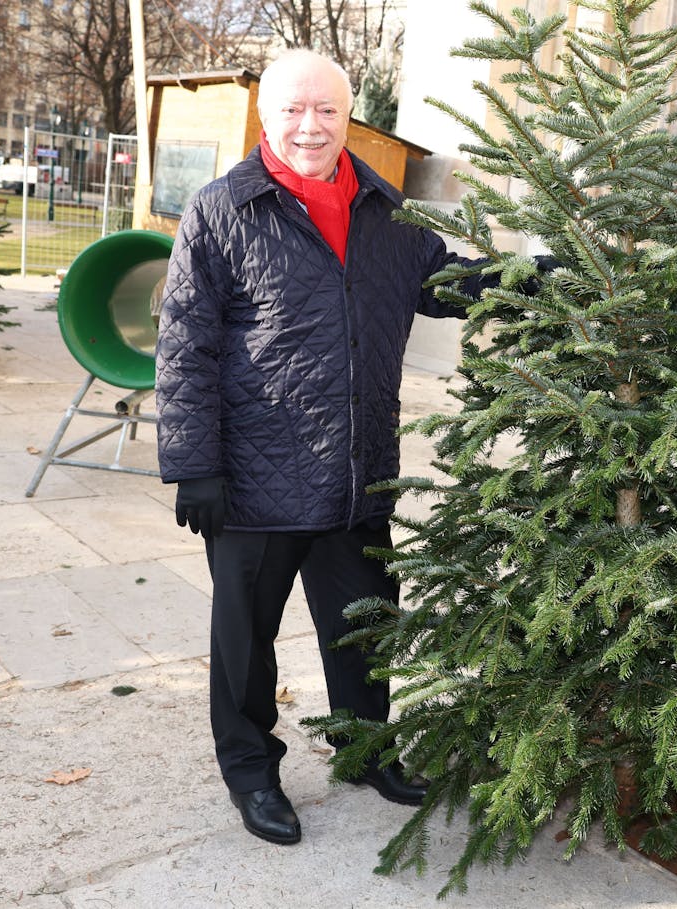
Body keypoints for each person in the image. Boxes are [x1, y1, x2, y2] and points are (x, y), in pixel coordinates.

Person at [156, 48, 483, 846]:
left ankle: (367, 746)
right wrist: (192, 463)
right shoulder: (224, 209)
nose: (311, 126)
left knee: (366, 623)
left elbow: (443, 282)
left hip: (357, 470)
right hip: (255, 479)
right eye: (295, 110)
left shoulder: (384, 210)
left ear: (349, 119)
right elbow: (184, 345)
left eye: (327, 111)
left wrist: (536, 281)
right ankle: (251, 770)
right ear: (268, 116)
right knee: (244, 642)